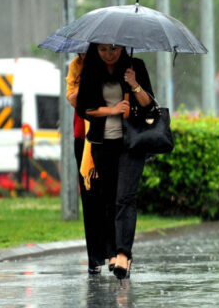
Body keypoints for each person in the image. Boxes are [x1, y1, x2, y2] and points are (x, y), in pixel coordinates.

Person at [76, 43, 154, 280]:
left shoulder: (135, 66)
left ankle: (123, 255)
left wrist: (134, 84)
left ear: (122, 48)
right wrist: (111, 110)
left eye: (114, 49)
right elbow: (83, 108)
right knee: (108, 199)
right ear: (95, 51)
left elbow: (149, 105)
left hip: (131, 144)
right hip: (103, 145)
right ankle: (111, 251)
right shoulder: (91, 70)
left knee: (126, 198)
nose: (109, 54)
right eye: (102, 50)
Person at [66, 53, 108, 274]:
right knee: (89, 197)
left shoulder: (112, 63)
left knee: (108, 196)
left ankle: (114, 252)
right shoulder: (77, 66)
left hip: (110, 136)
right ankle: (95, 258)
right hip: (83, 138)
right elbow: (73, 99)